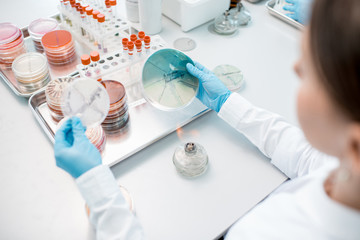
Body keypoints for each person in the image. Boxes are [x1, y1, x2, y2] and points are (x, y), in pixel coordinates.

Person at [54, 0, 360, 239]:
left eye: (310, 73)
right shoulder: (345, 168)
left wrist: (98, 187)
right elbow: (309, 157)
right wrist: (227, 102)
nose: (295, 68)